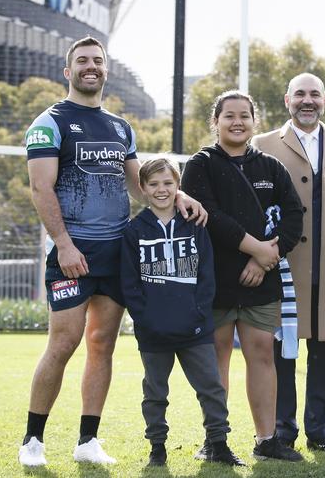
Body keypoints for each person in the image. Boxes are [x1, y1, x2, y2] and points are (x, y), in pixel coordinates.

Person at [18, 36, 206, 467]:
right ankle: (33, 440)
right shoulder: (49, 123)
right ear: (68, 71)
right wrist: (63, 244)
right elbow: (39, 187)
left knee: (102, 343)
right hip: (72, 253)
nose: (91, 67)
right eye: (82, 61)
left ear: (106, 70)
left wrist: (179, 198)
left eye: (97, 61)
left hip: (117, 253)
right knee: (63, 343)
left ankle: (88, 441)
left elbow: (145, 184)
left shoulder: (121, 128)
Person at [181, 90, 304, 462]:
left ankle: (267, 440)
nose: (237, 122)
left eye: (244, 116)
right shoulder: (200, 164)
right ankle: (215, 440)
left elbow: (295, 216)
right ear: (215, 122)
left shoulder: (270, 166)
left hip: (260, 280)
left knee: (262, 355)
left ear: (254, 121)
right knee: (216, 357)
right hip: (214, 281)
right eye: (228, 116)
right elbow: (210, 217)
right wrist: (256, 248)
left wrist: (267, 259)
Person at [251, 72, 325, 453]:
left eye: (314, 94)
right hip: (281, 266)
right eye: (300, 94)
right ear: (287, 100)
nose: (307, 100)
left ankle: (321, 431)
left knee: (324, 352)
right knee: (281, 352)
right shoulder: (263, 143)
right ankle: (282, 430)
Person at [120, 157, 245, 467]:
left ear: (177, 187)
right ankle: (157, 449)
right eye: (154, 184)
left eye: (168, 183)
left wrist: (198, 314)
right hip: (154, 332)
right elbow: (130, 284)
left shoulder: (194, 226)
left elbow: (206, 276)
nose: (161, 190)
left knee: (211, 388)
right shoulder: (134, 231)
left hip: (195, 329)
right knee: (155, 392)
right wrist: (146, 320)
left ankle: (219, 444)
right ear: (143, 188)